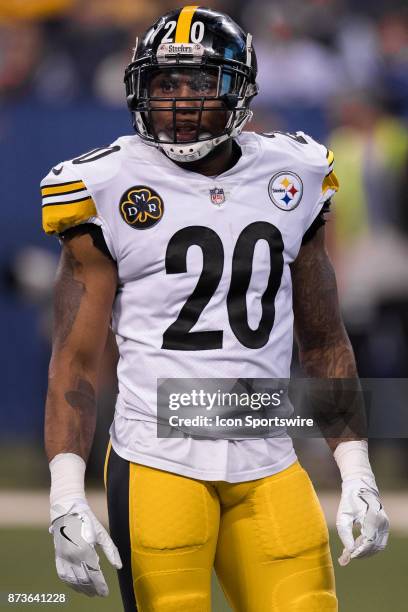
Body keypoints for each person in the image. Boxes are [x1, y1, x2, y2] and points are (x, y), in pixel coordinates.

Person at [42, 6, 389, 611]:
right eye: (165, 83)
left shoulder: (295, 173)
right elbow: (74, 360)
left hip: (268, 456)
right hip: (157, 460)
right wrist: (65, 491)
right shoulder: (104, 185)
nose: (179, 100)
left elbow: (324, 337)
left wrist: (356, 468)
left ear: (238, 89)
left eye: (200, 83)